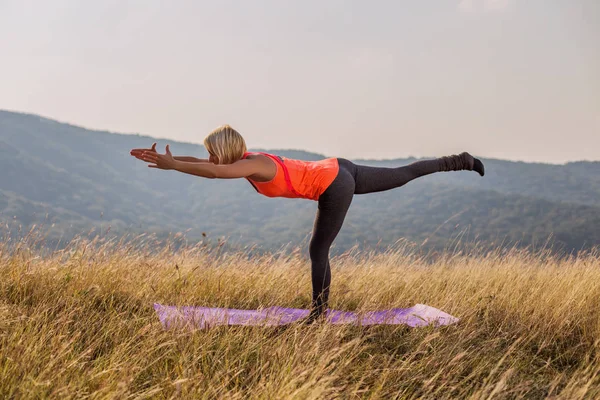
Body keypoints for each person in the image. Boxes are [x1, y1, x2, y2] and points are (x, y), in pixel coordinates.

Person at [130, 125, 484, 323]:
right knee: (402, 174)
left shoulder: (251, 166)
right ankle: (461, 161)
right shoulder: (246, 161)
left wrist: (175, 166)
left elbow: (215, 172)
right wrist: (172, 160)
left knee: (318, 249)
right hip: (337, 168)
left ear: (226, 152)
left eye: (212, 152)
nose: (208, 157)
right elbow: (210, 166)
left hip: (334, 183)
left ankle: (318, 315)